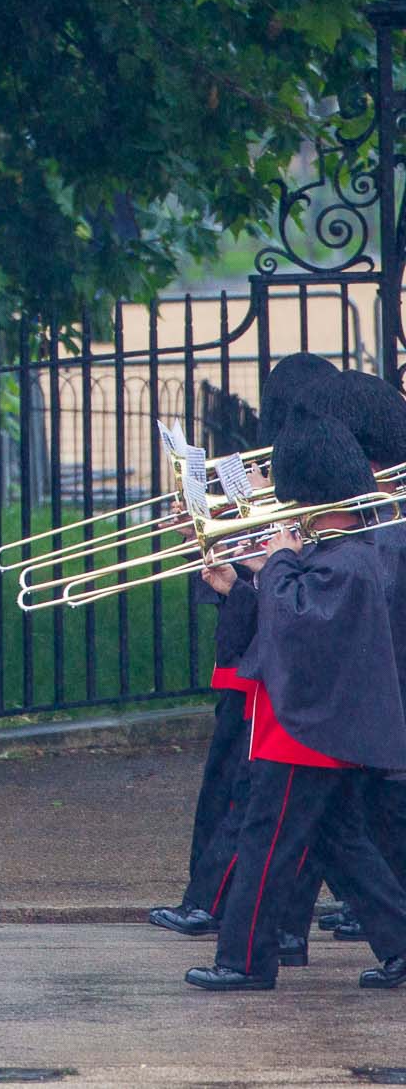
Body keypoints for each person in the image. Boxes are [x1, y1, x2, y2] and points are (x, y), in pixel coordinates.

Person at [185, 404, 406, 991]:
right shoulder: (332, 556)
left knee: (265, 841)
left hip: (306, 732)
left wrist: (276, 560)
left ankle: (245, 960)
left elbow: (298, 621)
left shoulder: (345, 560)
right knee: (342, 846)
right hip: (311, 727)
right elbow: (286, 613)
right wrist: (246, 581)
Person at [151, 352, 343, 937]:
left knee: (252, 795)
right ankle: (267, 918)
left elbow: (289, 566)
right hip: (251, 637)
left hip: (269, 653)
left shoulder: (311, 480)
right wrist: (203, 530)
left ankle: (228, 905)